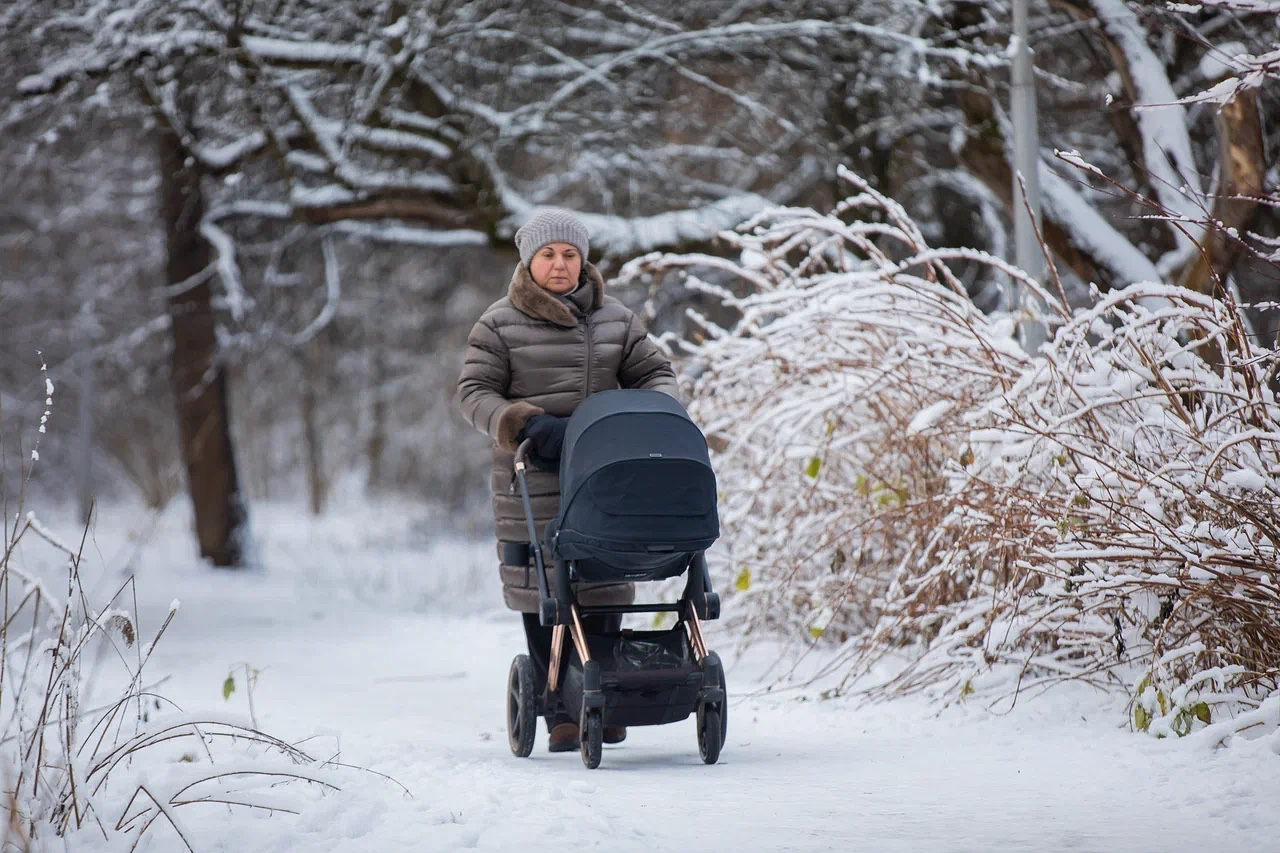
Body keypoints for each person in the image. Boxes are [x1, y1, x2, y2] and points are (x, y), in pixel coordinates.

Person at [455, 208, 679, 753]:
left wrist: (650, 416)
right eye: (549, 254)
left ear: (584, 261)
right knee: (544, 590)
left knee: (604, 579)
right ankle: (559, 707)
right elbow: (473, 394)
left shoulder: (616, 321)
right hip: (534, 474)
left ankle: (603, 692)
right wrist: (524, 422)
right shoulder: (498, 323)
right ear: (529, 260)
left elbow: (657, 374)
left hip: (607, 473)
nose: (560, 264)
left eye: (570, 254)